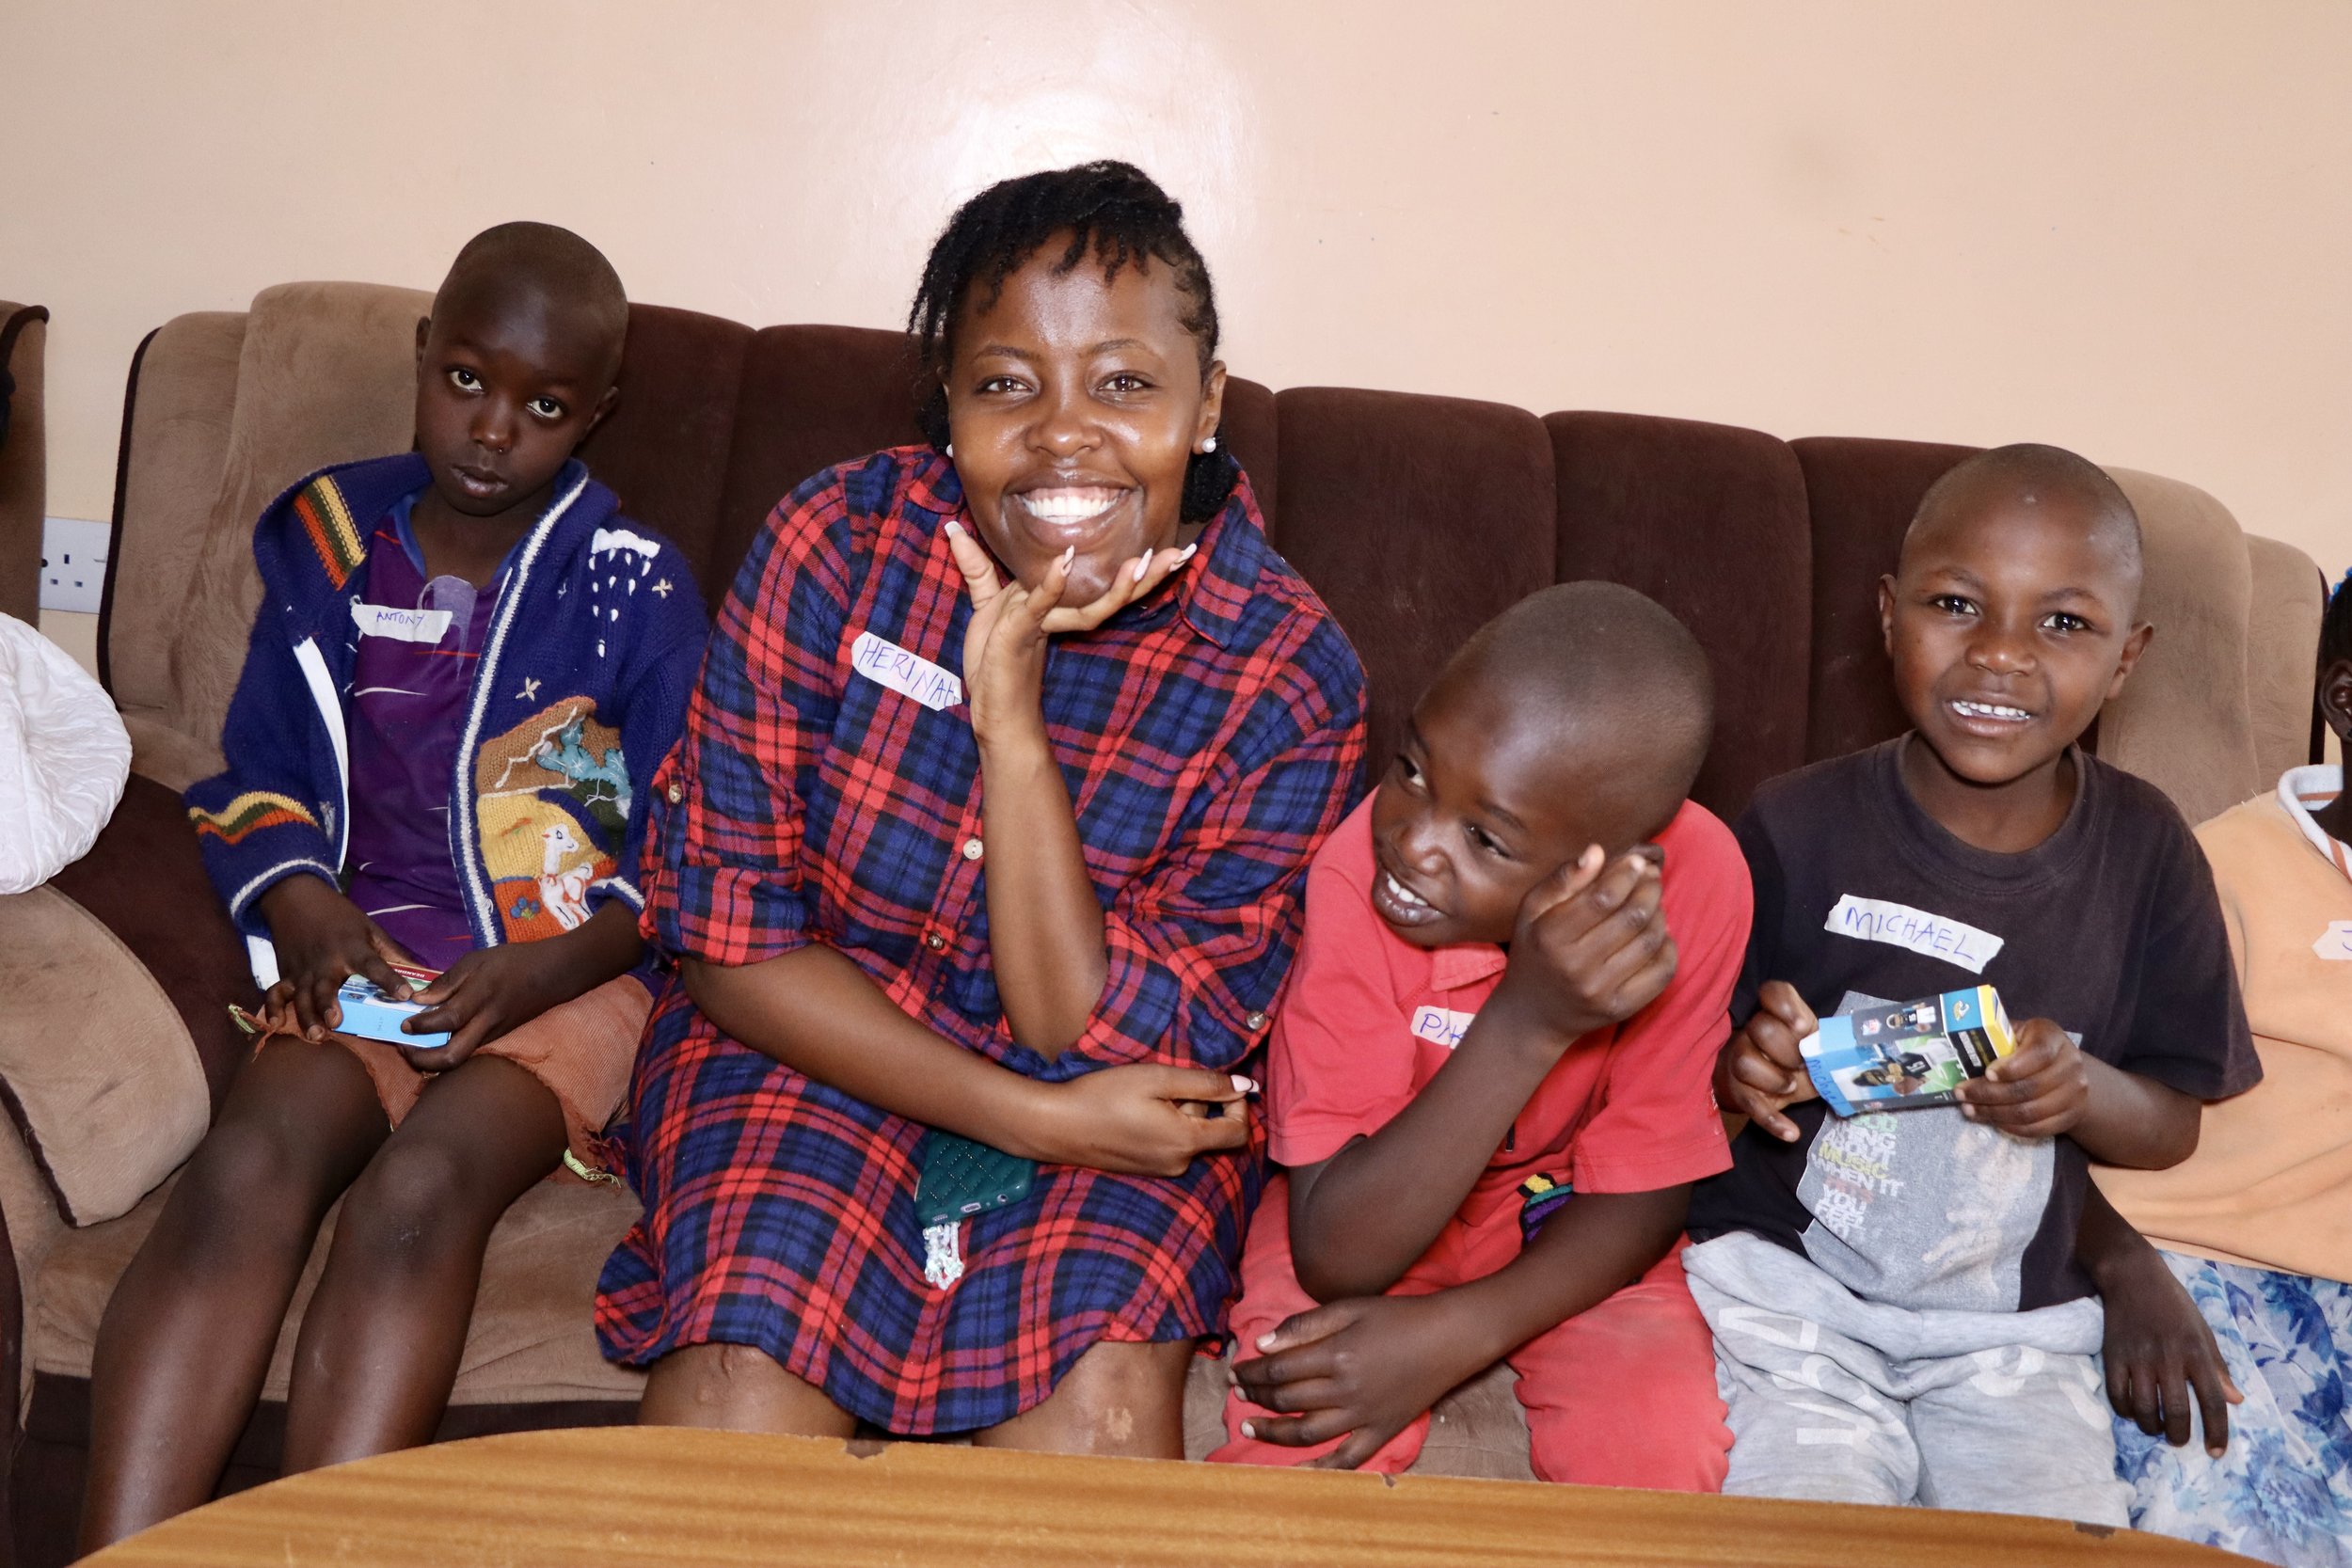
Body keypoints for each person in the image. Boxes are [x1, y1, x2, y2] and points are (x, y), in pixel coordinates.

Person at [595, 162, 1367, 1455]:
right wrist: (1030, 1115)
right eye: (1007, 384)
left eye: (1124, 383)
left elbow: (1095, 1034)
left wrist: (1013, 735)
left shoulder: (1287, 673)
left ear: (1206, 405)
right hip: (812, 1041)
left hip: (1108, 1107)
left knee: (1102, 1420)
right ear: (946, 407)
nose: (1065, 430)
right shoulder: (836, 542)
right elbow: (732, 939)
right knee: (741, 1380)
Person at [81, 223, 708, 1549]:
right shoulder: (327, 540)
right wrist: (302, 903)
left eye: (543, 406)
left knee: (420, 1188)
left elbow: (689, 849)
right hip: (365, 946)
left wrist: (547, 967)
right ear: (423, 357)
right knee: (251, 1156)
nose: (493, 429)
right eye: (468, 379)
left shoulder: (632, 588)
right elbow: (253, 773)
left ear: (596, 412)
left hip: (560, 973)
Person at [1692, 442, 2260, 1525]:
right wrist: (1743, 1065)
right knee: (1808, 1535)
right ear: (1888, 614)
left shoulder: (2149, 853)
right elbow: (1692, 1078)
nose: (2000, 655)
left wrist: (2082, 1088)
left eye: (2062, 622)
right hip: (1793, 1298)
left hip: (2013, 1334)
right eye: (1957, 603)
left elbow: (2172, 1118)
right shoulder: (1789, 824)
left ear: (2126, 658)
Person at [1210, 581, 1743, 1484]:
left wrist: (1458, 1333)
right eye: (1413, 769)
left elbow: (1650, 1184)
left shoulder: (1694, 883)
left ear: (1615, 868)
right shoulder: (1353, 876)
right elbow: (1338, 1249)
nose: (1413, 842)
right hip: (1368, 1192)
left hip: (1562, 1224)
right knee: (1292, 1423)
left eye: (1486, 840)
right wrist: (1526, 1020)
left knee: (1662, 1436)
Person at [2072, 570, 2352, 1564]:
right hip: (2192, 1269)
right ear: (2344, 701)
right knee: (2233, 1531)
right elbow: (2063, 1092)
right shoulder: (2214, 870)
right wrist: (2120, 1267)